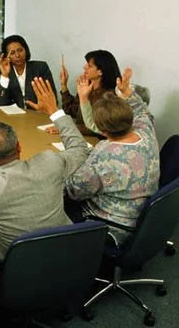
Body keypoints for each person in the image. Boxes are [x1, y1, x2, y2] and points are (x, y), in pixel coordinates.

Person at [0, 77, 90, 270]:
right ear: (19, 146)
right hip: (62, 253)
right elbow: (80, 149)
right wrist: (54, 111)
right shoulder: (50, 162)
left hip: (15, 267)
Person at [64, 68, 160, 247]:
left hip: (112, 227)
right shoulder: (146, 131)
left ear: (103, 130)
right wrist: (127, 92)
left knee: (54, 202)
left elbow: (73, 191)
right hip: (144, 219)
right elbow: (142, 111)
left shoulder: (104, 156)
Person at [59, 50, 121, 135]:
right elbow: (72, 111)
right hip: (80, 137)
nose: (84, 67)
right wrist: (64, 85)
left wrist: (68, 128)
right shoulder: (87, 88)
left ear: (100, 71)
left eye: (89, 66)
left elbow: (100, 129)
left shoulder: (110, 96)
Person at [0, 35, 57, 108]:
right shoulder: (0, 74)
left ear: (26, 50)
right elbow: (1, 103)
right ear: (6, 57)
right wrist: (5, 76)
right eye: (12, 53)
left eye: (20, 50)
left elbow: (52, 98)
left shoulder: (40, 68)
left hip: (38, 114)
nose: (17, 55)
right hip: (14, 117)